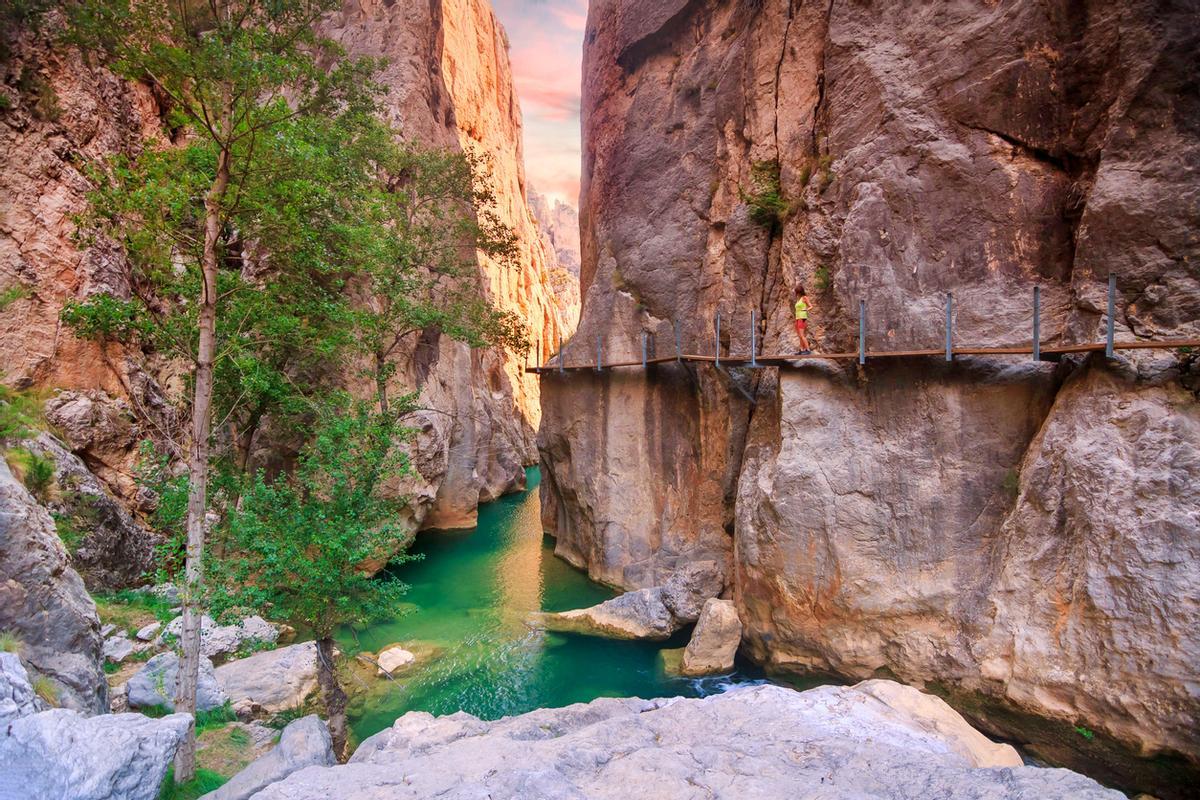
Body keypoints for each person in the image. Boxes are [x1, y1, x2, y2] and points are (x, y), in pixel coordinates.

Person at [794, 285, 813, 355]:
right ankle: (802, 350)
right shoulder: (798, 299)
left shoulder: (804, 298)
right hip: (797, 318)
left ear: (800, 292)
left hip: (802, 317)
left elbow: (811, 306)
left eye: (797, 292)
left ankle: (808, 350)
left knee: (802, 335)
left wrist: (806, 309)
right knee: (799, 335)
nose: (797, 293)